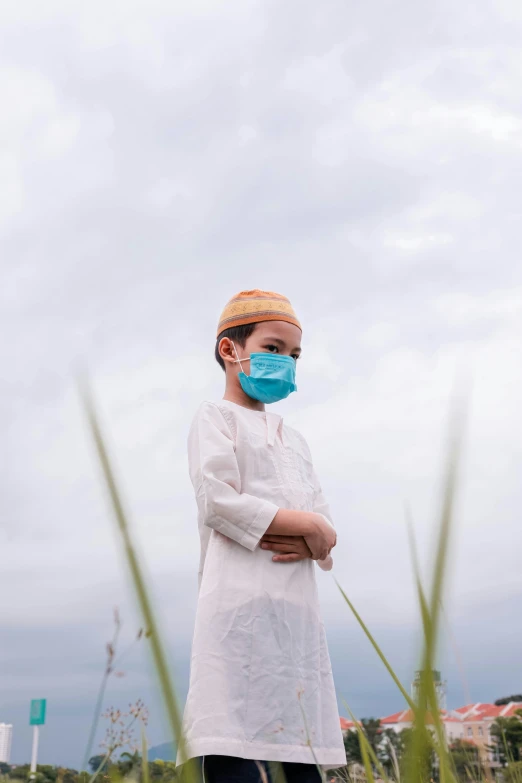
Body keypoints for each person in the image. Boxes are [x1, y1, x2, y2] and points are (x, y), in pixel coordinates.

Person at [177, 290, 347, 782]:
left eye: (294, 355)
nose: (286, 363)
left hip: (296, 621)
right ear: (230, 350)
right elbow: (218, 500)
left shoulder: (295, 440)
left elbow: (327, 529)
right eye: (273, 349)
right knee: (235, 747)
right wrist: (307, 526)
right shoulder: (215, 417)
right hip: (239, 614)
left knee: (301, 751)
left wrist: (315, 531)